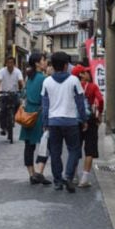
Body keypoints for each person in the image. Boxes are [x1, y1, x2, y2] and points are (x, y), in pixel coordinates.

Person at [41, 51, 89, 193]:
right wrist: (84, 120)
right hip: (70, 122)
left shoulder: (47, 82)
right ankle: (68, 175)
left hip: (53, 122)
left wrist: (45, 123)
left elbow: (45, 105)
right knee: (74, 149)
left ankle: (57, 181)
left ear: (53, 66)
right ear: (66, 65)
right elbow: (80, 102)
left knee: (55, 151)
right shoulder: (74, 80)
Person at [19, 53, 51, 185]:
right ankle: (39, 172)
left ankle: (32, 174)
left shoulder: (29, 77)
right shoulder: (43, 79)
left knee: (29, 145)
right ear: (37, 63)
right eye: (43, 60)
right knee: (45, 144)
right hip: (39, 113)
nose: (45, 62)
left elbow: (23, 93)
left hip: (28, 114)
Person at [72, 64, 104, 187]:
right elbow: (100, 100)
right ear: (81, 75)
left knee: (75, 148)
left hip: (76, 120)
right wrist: (99, 113)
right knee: (89, 149)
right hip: (90, 120)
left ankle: (74, 176)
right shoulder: (92, 87)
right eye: (86, 72)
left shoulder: (73, 86)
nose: (89, 74)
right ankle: (84, 178)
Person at [0, 56, 24, 139]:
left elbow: (21, 81)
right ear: (6, 63)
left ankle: (13, 119)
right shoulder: (2, 71)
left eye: (11, 62)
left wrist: (23, 88)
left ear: (14, 64)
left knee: (18, 105)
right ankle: (3, 128)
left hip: (14, 93)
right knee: (2, 110)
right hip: (3, 93)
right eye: (8, 62)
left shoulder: (18, 71)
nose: (9, 64)